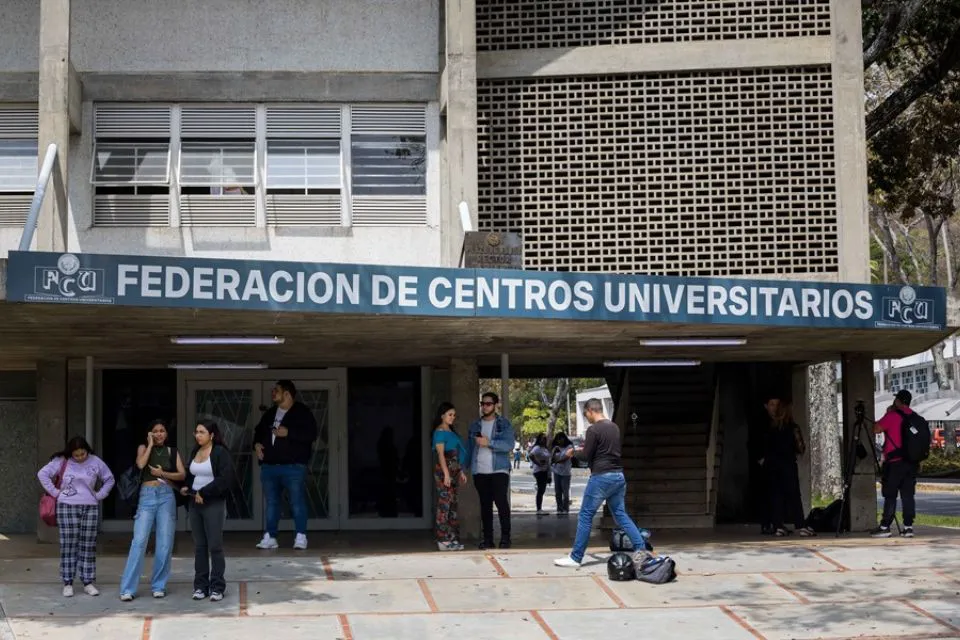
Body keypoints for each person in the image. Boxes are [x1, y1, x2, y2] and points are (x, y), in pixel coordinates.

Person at [555, 398, 648, 568]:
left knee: (585, 515)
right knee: (620, 515)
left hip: (601, 477)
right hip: (618, 476)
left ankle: (576, 557)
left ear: (591, 410)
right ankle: (641, 549)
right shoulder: (614, 427)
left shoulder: (594, 429)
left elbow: (586, 456)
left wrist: (572, 453)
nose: (586, 418)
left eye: (586, 415)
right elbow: (605, 450)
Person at [37, 436, 115, 597]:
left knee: (88, 544)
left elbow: (109, 479)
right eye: (76, 455)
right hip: (67, 506)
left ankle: (88, 582)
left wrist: (100, 495)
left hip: (90, 507)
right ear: (70, 452)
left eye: (83, 454)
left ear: (87, 450)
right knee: (68, 544)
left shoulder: (95, 461)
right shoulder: (61, 461)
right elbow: (42, 474)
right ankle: (68, 582)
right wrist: (56, 493)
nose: (80, 457)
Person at [119, 419, 186, 601]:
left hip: (166, 496)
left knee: (165, 543)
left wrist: (162, 473)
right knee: (139, 541)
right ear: (149, 433)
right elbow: (141, 465)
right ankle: (127, 588)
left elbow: (182, 474)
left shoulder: (172, 451)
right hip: (146, 496)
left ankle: (159, 585)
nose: (159, 434)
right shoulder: (143, 448)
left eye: (162, 431)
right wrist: (149, 444)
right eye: (155, 431)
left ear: (166, 433)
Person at [253, 379, 318, 550]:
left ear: (287, 394)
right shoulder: (270, 413)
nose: (273, 393)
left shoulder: (302, 412)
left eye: (277, 390)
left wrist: (289, 433)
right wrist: (257, 445)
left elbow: (311, 434)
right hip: (269, 466)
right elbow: (258, 432)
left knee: (296, 501)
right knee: (272, 502)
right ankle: (270, 536)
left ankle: (301, 536)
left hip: (294, 466)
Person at [182, 420, 236, 602]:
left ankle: (217, 587)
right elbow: (191, 476)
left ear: (211, 434)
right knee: (199, 546)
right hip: (195, 504)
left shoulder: (220, 452)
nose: (197, 435)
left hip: (213, 503)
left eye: (202, 432)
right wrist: (187, 488)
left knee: (215, 546)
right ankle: (200, 587)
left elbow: (225, 479)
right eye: (196, 432)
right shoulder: (195, 451)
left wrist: (204, 492)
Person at [465, 392, 516, 549]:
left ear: (495, 405)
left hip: (499, 469)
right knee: (485, 505)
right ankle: (488, 539)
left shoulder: (504, 424)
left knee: (501, 502)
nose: (485, 406)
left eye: (488, 404)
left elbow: (509, 445)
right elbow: (469, 448)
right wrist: (463, 468)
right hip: (479, 470)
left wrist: (490, 443)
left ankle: (505, 538)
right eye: (483, 403)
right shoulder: (475, 425)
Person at [759, 397, 815, 537]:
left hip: (771, 465)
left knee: (776, 495)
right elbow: (801, 448)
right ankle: (800, 525)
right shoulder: (793, 427)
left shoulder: (770, 428)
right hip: (788, 464)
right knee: (794, 495)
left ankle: (778, 526)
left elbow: (764, 447)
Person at [872, 389, 919, 538]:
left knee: (890, 494)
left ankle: (885, 526)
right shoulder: (915, 417)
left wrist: (888, 413)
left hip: (894, 462)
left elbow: (876, 429)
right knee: (908, 496)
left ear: (898, 401)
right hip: (911, 463)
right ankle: (908, 527)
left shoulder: (892, 416)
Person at [432, 402, 468, 551]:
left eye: (454, 415)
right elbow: (441, 455)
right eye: (449, 414)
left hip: (454, 471)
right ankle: (442, 539)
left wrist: (460, 472)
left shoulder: (451, 432)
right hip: (444, 472)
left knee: (453, 505)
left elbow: (457, 455)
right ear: (442, 416)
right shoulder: (440, 432)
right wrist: (446, 474)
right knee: (444, 505)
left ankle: (452, 538)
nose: (452, 417)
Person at [550, 432, 575, 514]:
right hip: (556, 471)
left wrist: (557, 461)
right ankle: (559, 508)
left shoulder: (569, 447)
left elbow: (566, 457)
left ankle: (565, 508)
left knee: (565, 492)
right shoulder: (556, 448)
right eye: (558, 439)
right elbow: (552, 458)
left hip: (566, 472)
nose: (560, 441)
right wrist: (554, 450)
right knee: (558, 492)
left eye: (561, 439)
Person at [528, 434, 552, 514]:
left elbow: (548, 461)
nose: (543, 440)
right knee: (541, 490)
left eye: (545, 439)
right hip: (539, 471)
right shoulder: (537, 448)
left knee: (542, 489)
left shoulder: (545, 448)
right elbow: (531, 455)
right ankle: (539, 509)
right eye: (542, 439)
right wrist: (538, 463)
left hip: (545, 471)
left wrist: (549, 474)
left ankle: (539, 508)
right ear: (539, 440)